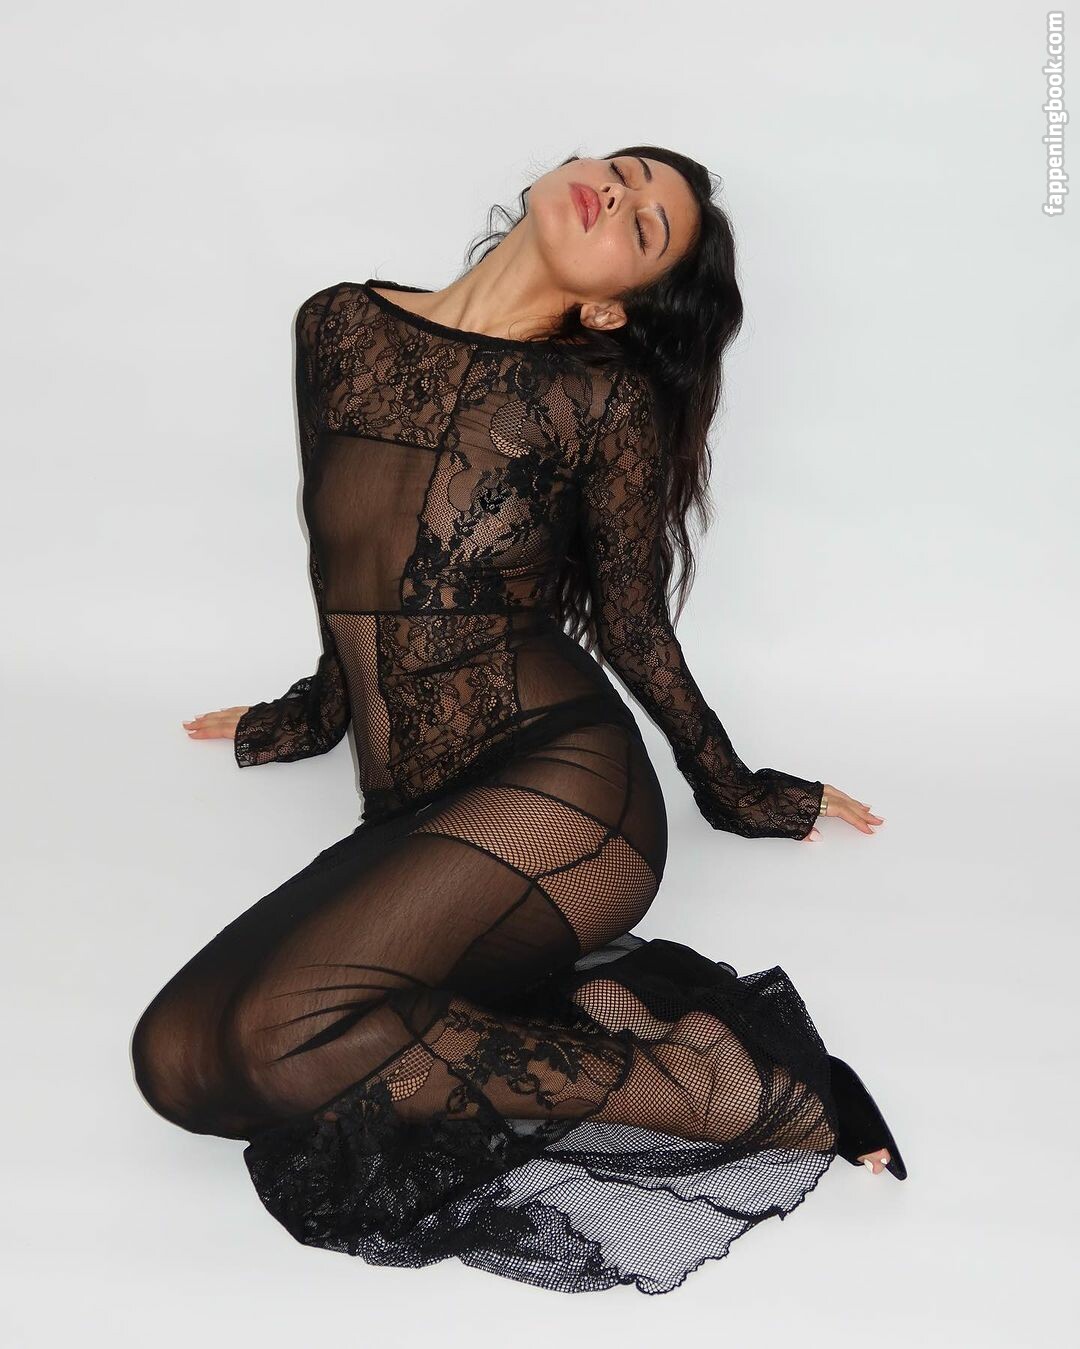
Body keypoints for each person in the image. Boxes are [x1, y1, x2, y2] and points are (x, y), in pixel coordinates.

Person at [131, 145, 905, 1297]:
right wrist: (315, 709)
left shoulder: (598, 399)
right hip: (420, 809)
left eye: (646, 226)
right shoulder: (337, 324)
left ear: (610, 306)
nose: (621, 194)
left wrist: (737, 787)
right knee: (175, 1062)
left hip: (567, 793)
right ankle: (614, 1025)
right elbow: (348, 556)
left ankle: (721, 1088)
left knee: (273, 1042)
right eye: (626, 173)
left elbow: (634, 624)